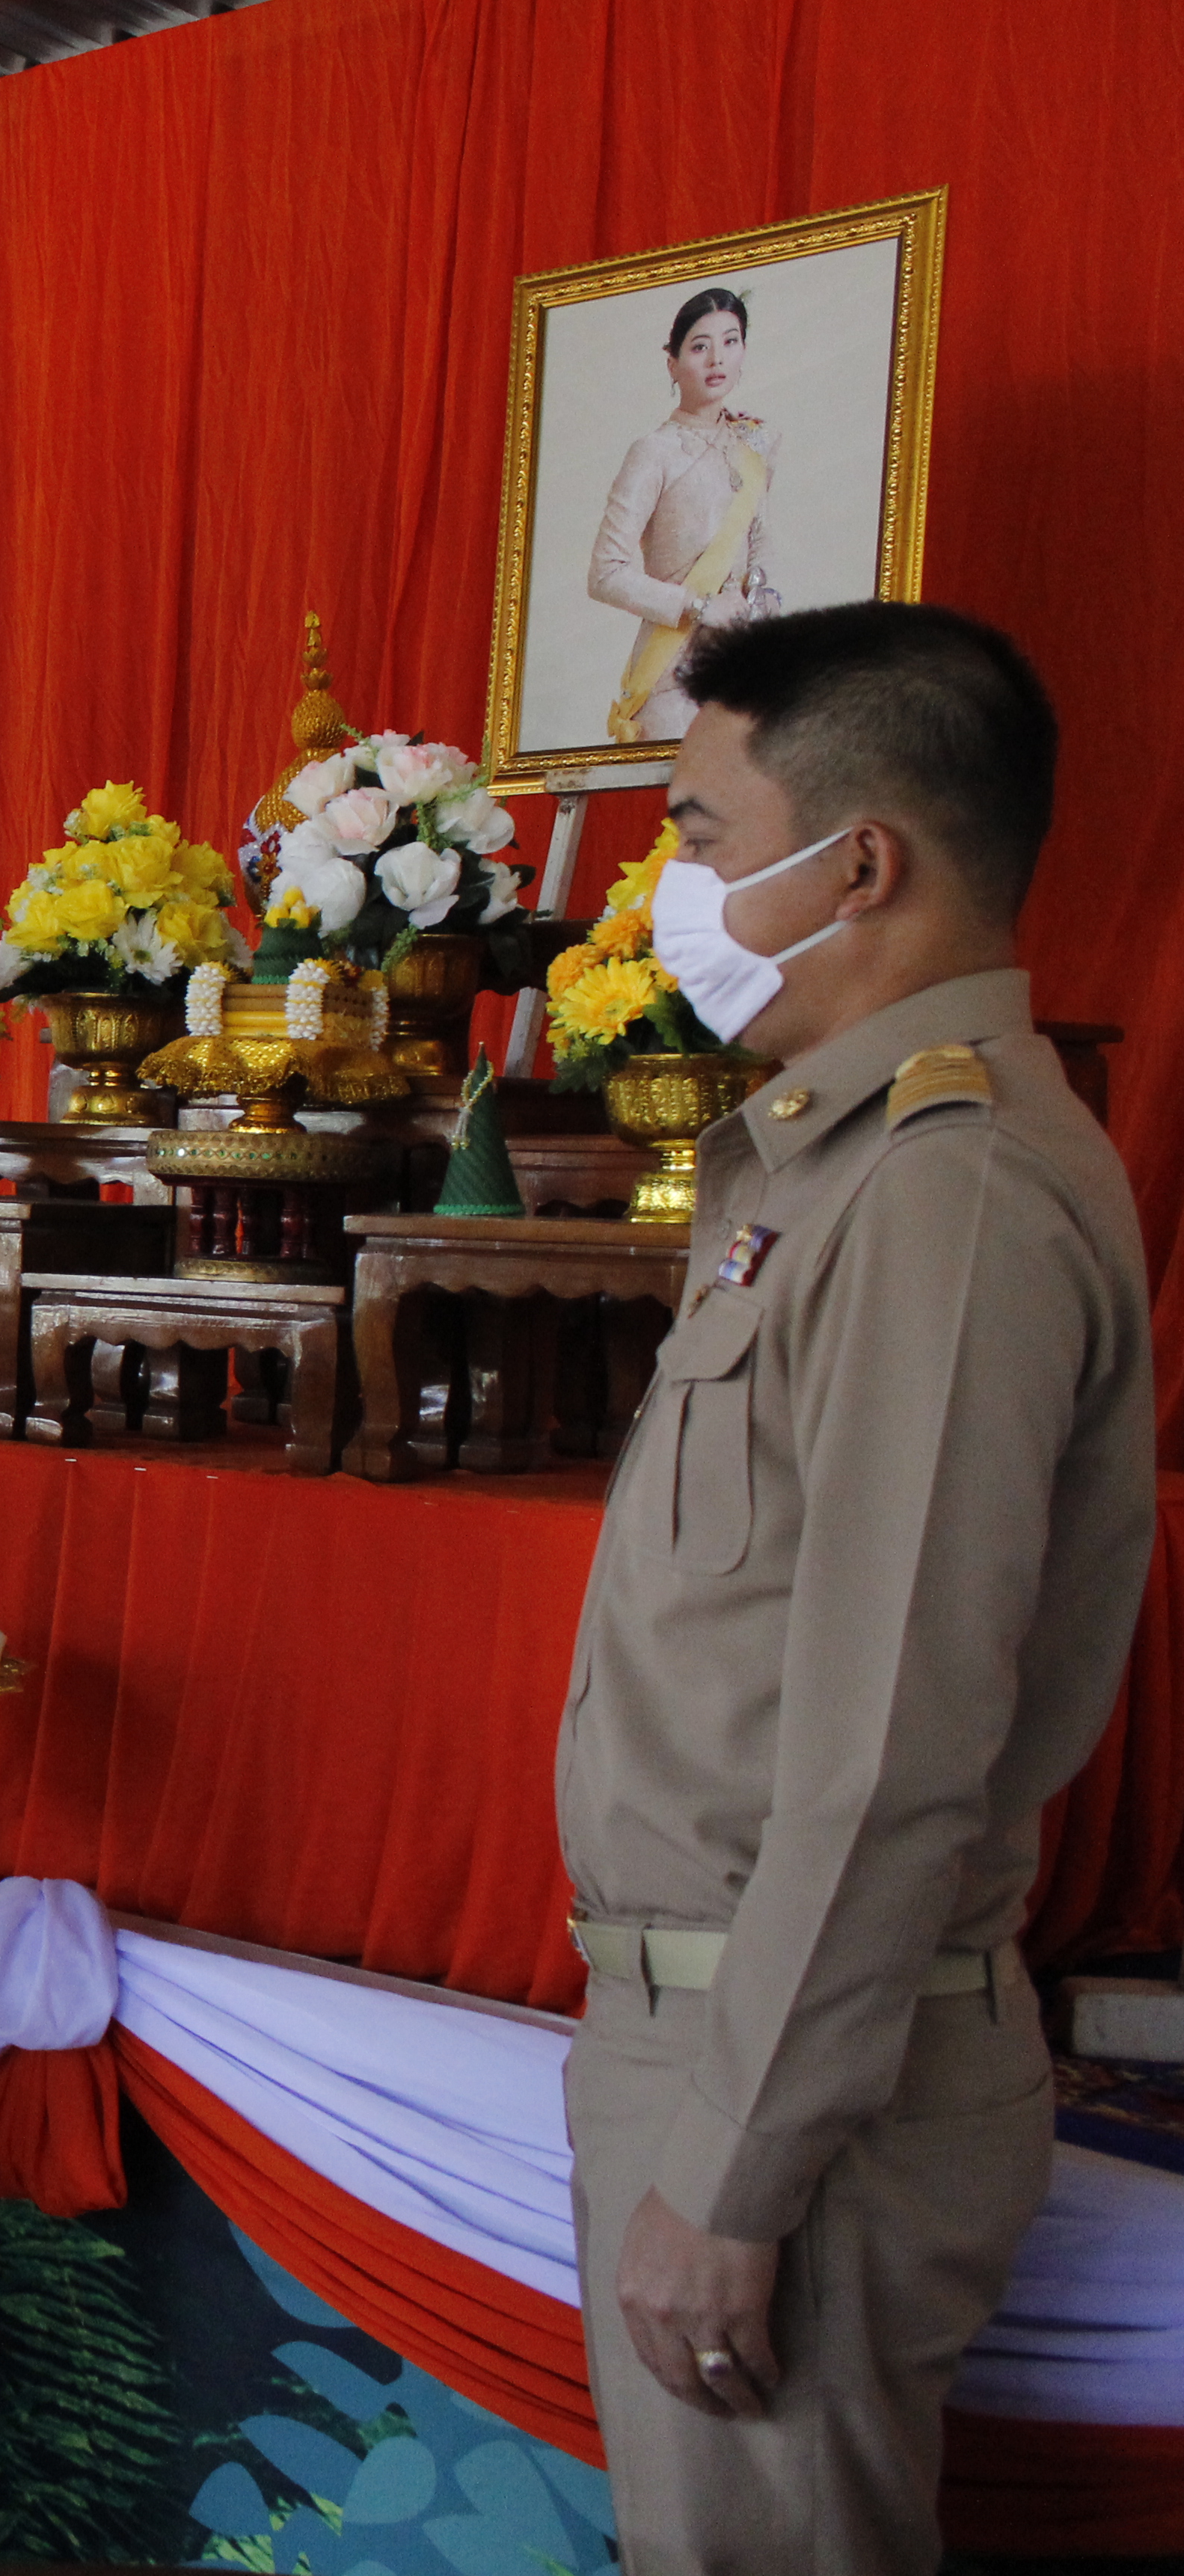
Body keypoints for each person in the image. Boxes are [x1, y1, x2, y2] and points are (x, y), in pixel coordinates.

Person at [558, 602, 1149, 2573]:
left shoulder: (943, 1192)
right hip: (737, 2037)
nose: (678, 888)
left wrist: (736, 2172)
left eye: (707, 835)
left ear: (862, 864)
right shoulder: (830, 1168)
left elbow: (894, 1747)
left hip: (798, 2076)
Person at [589, 287, 785, 746]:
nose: (717, 358)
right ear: (673, 363)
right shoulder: (654, 453)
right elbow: (605, 573)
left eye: (731, 341)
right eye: (700, 346)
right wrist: (700, 607)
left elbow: (761, 543)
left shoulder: (753, 448)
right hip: (672, 673)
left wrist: (764, 602)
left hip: (740, 668)